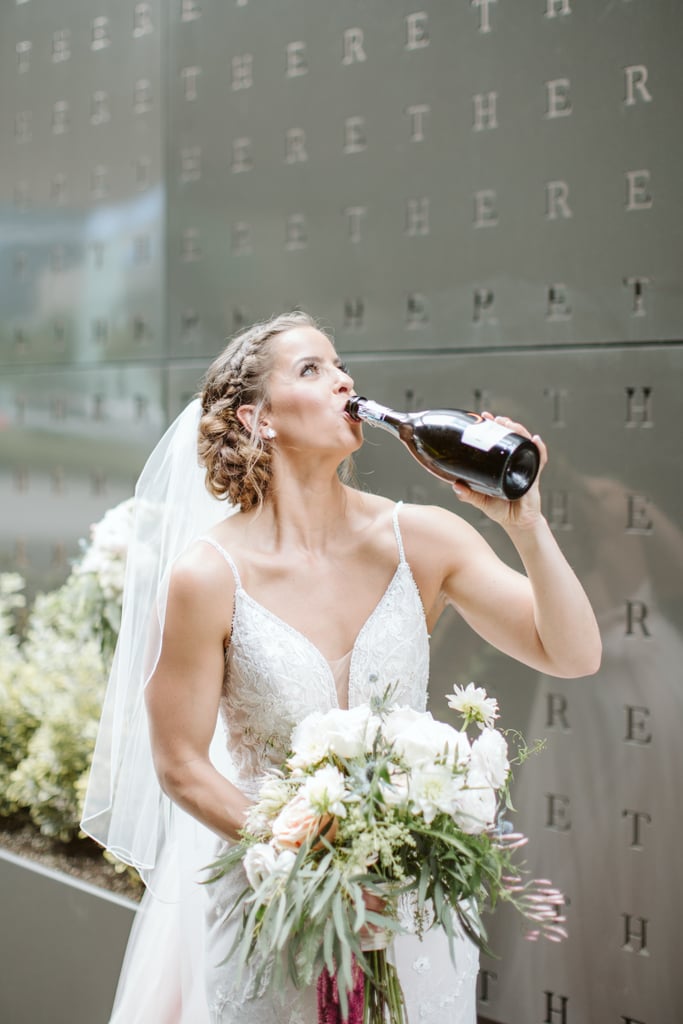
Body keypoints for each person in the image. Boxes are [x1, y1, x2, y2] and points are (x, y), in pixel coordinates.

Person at [82, 310, 601, 1024]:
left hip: (412, 913)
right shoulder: (207, 577)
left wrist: (526, 527)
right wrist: (306, 854)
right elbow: (180, 765)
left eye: (340, 364)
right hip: (279, 906)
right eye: (311, 369)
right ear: (257, 418)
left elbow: (572, 654)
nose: (343, 380)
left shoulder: (422, 537)